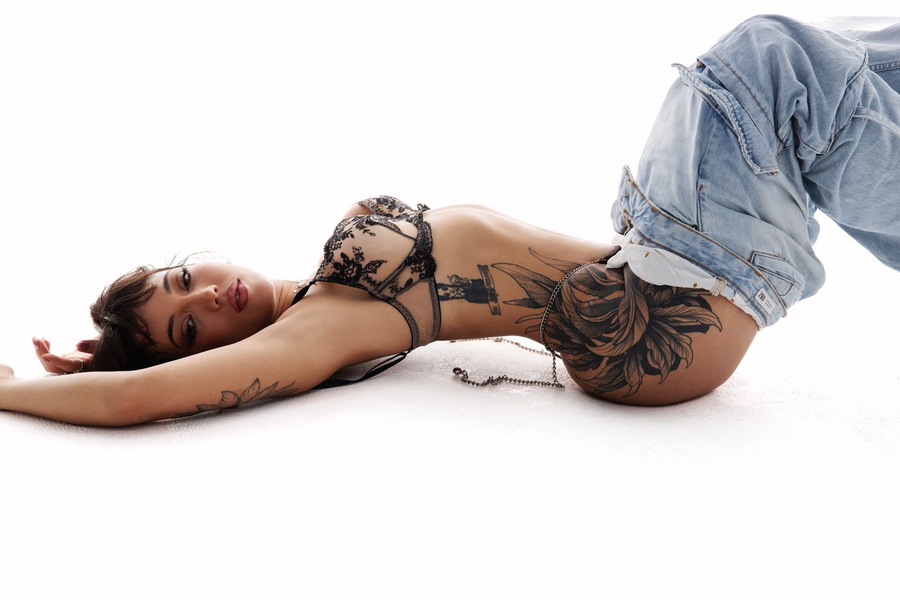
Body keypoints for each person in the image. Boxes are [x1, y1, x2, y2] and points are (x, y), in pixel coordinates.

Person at [2, 15, 898, 426]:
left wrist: (111, 342)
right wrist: (12, 392)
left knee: (847, 54)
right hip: (655, 317)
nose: (207, 297)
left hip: (654, 266)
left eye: (179, 281)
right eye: (190, 329)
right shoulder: (317, 329)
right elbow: (134, 397)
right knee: (764, 59)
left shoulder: (320, 286)